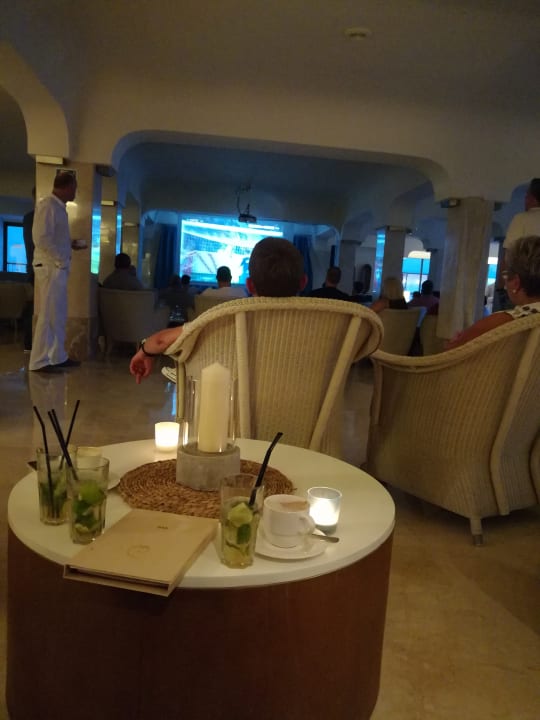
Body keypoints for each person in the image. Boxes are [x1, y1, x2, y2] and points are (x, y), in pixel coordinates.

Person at [130, 237, 306, 383]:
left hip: (236, 412)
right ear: (304, 283)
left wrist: (146, 351)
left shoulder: (223, 324)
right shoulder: (319, 329)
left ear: (250, 285)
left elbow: (160, 341)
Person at [29, 172, 84, 372]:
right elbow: (41, 238)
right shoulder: (48, 206)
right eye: (74, 187)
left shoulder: (58, 208)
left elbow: (53, 238)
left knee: (57, 314)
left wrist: (69, 245)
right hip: (51, 268)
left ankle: (57, 356)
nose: (75, 192)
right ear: (67, 187)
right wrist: (61, 259)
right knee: (48, 314)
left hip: (57, 267)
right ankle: (39, 361)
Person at [446, 235, 540, 350]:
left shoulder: (504, 322)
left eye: (505, 275)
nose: (505, 284)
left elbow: (450, 353)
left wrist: (454, 342)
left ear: (516, 283)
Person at [494, 178, 540, 311]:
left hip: (523, 285)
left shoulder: (522, 219)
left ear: (531, 198)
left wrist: (501, 284)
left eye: (527, 196)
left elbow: (509, 254)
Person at [21, 187, 36, 352]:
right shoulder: (35, 217)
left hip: (33, 269)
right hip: (39, 270)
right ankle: (30, 342)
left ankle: (29, 343)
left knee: (33, 304)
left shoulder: (28, 217)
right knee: (35, 306)